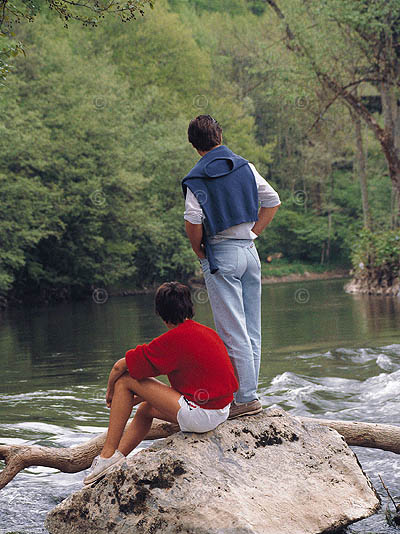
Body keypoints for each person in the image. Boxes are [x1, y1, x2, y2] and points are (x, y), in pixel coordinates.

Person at [84, 281, 238, 485]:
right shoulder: (207, 332)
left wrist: (110, 393)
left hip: (202, 416)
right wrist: (138, 398)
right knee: (146, 410)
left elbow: (118, 368)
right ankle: (116, 459)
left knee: (125, 381)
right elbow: (197, 380)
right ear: (190, 307)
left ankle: (105, 455)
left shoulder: (173, 339)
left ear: (160, 313)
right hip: (222, 410)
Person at [182, 115, 281, 420]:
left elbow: (193, 221)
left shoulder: (196, 179)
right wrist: (254, 233)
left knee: (232, 330)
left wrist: (199, 249)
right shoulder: (245, 167)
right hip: (249, 252)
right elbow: (273, 200)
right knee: (251, 327)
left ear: (194, 145)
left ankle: (246, 398)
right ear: (220, 136)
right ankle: (249, 394)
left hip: (221, 253)